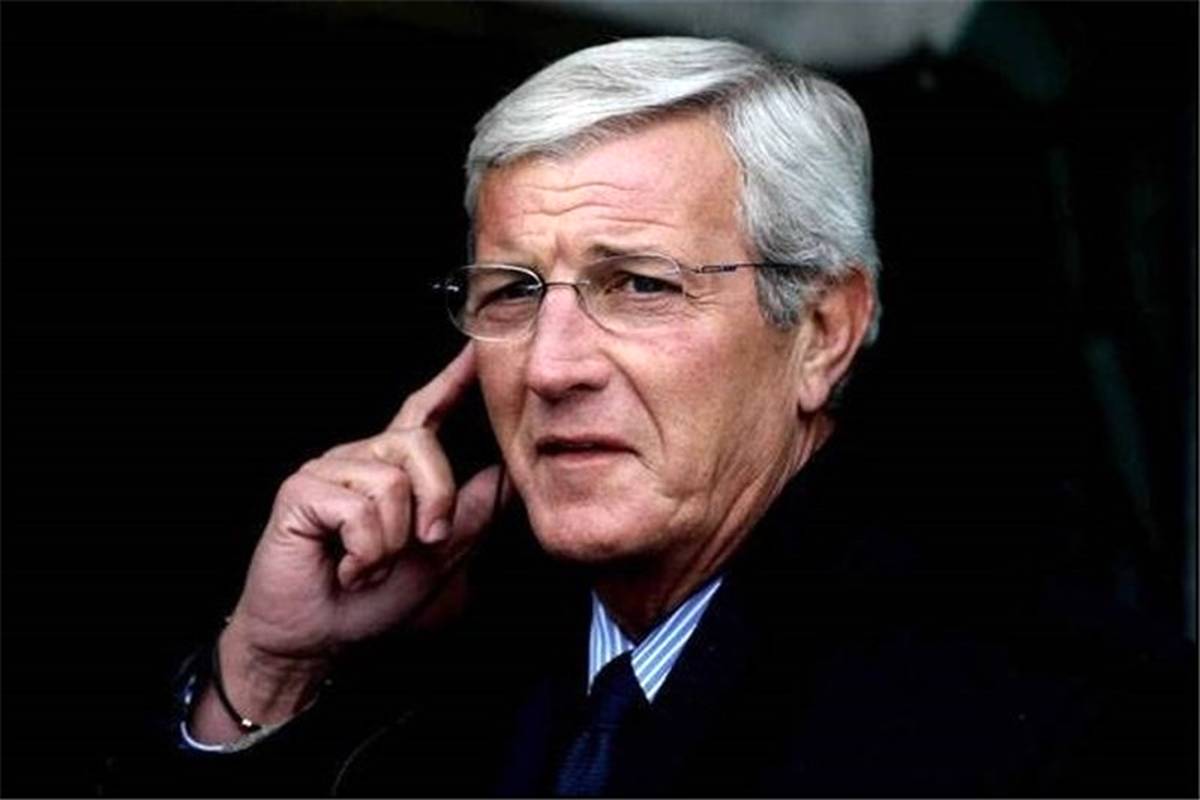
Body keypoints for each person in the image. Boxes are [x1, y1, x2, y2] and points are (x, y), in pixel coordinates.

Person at [112, 36, 1195, 797]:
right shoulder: (433, 659)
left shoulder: (1057, 712)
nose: (551, 366)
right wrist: (270, 666)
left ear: (824, 330)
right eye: (512, 292)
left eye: (639, 284)